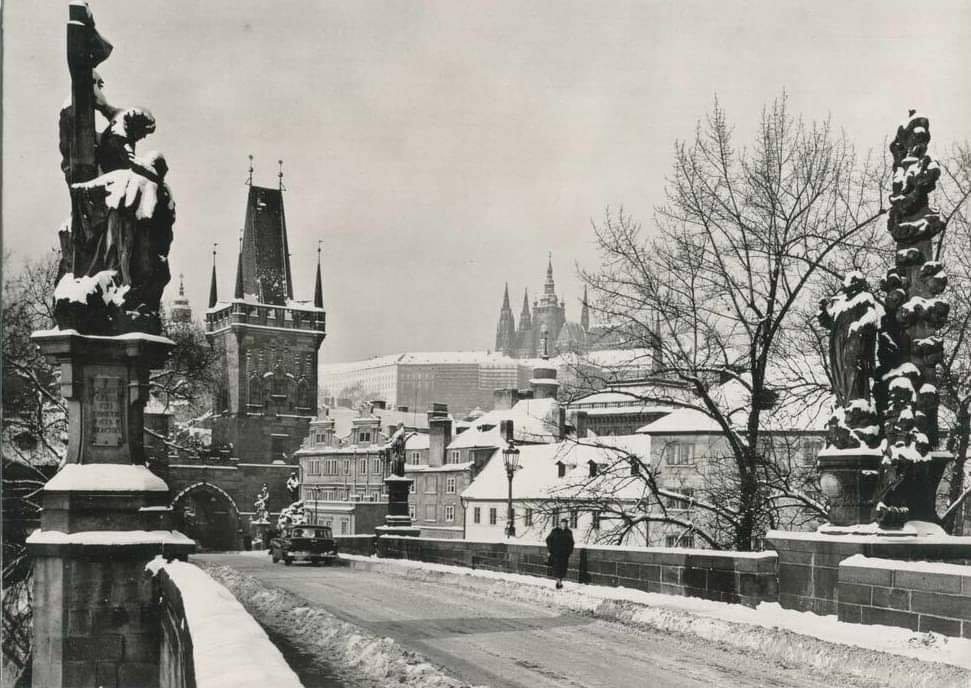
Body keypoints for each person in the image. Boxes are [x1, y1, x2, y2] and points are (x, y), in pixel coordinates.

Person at [546, 518, 574, 589]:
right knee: (557, 568)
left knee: (563, 568)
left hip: (564, 554)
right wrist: (550, 550)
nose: (564, 525)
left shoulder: (569, 532)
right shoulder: (555, 531)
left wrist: (570, 551)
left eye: (565, 524)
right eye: (562, 523)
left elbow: (572, 542)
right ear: (560, 524)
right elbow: (548, 540)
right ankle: (558, 582)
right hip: (556, 553)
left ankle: (560, 581)